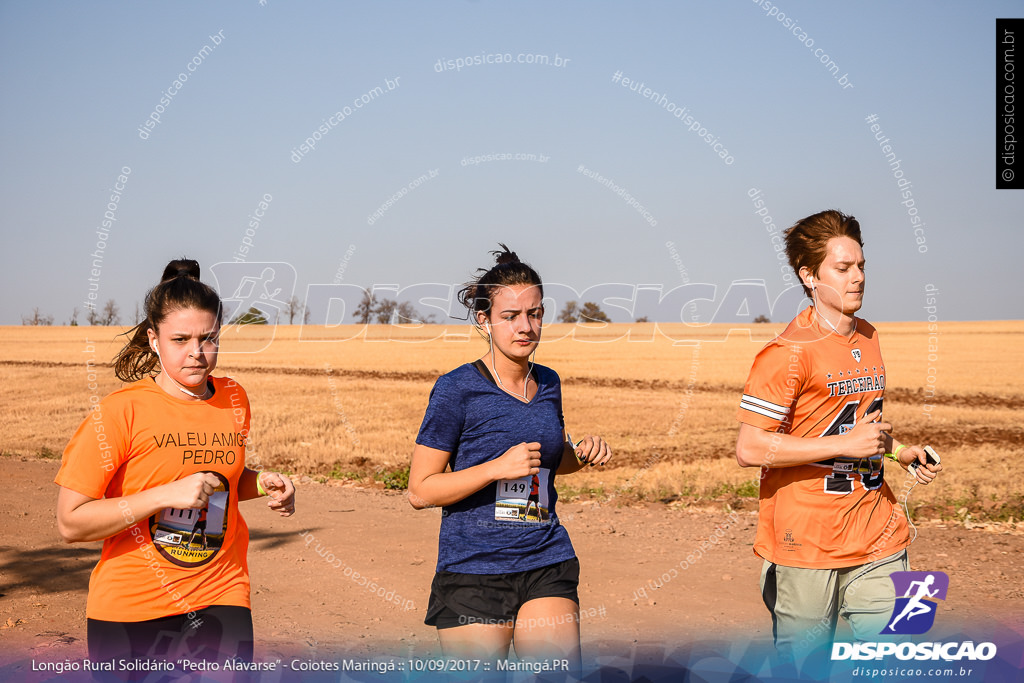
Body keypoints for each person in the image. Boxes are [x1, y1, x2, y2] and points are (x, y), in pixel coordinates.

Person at [55, 259, 295, 673]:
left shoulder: (234, 397)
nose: (197, 354)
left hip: (221, 590)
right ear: (153, 339)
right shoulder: (120, 412)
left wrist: (263, 482)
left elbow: (220, 482)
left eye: (208, 338)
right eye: (180, 339)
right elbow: (71, 522)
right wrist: (166, 495)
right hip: (132, 606)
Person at [735, 210, 942, 665]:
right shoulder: (785, 354)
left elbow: (858, 428)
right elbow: (749, 449)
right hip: (806, 545)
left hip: (880, 533)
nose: (858, 278)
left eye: (862, 266)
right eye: (843, 268)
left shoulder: (869, 337)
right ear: (809, 276)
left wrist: (901, 452)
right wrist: (843, 445)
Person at [408, 245, 611, 674]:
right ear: (484, 320)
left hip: (545, 557)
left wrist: (582, 453)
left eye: (534, 314)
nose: (525, 326)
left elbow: (547, 461)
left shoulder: (549, 382)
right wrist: (495, 468)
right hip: (473, 571)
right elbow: (421, 490)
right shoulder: (456, 389)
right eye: (510, 316)